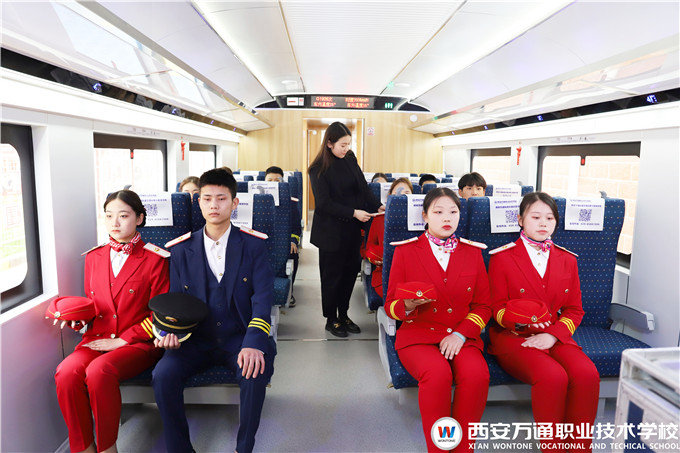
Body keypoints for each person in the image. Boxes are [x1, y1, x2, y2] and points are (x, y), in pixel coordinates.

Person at [152, 168, 275, 453]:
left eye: (221, 198)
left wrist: (254, 343)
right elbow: (174, 302)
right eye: (207, 199)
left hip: (239, 338)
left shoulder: (254, 246)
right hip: (196, 341)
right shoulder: (180, 250)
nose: (214, 205)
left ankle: (244, 448)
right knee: (163, 374)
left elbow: (263, 299)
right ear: (199, 203)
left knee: (254, 371)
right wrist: (169, 334)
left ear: (234, 203)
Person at [54, 190, 170, 453]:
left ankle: (108, 447)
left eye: (123, 216)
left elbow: (160, 315)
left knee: (99, 371)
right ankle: (83, 447)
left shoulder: (156, 259)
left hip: (138, 343)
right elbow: (93, 307)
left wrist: (123, 340)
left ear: (139, 218)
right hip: (97, 339)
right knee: (66, 373)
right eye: (109, 216)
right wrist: (75, 320)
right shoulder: (93, 257)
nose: (114, 223)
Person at [487, 192, 599, 452]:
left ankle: (580, 448)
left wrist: (552, 335)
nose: (543, 223)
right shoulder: (502, 257)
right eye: (535, 217)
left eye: (549, 218)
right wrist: (522, 326)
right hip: (513, 337)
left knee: (587, 374)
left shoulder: (567, 259)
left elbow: (574, 310)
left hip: (554, 334)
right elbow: (496, 309)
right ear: (520, 220)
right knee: (552, 376)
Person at [385, 188, 491, 453]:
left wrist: (460, 334)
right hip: (418, 335)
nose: (447, 218)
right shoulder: (406, 252)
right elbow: (390, 306)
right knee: (437, 374)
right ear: (425, 216)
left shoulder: (472, 252)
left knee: (477, 375)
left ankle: (463, 448)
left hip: (461, 335)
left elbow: (483, 306)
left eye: (453, 212)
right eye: (439, 212)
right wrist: (407, 306)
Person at [308, 121, 383, 337]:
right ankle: (331, 319)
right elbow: (324, 204)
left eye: (349, 144)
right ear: (329, 143)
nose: (346, 148)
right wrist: (353, 212)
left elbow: (363, 188)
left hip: (352, 230)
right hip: (331, 232)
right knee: (332, 277)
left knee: (350, 274)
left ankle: (344, 314)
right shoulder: (318, 168)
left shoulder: (350, 159)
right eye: (342, 145)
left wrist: (377, 205)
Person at [365, 177, 413, 298]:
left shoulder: (424, 221)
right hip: (385, 274)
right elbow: (369, 248)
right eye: (396, 194)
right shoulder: (379, 220)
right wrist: (384, 255)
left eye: (406, 193)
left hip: (414, 274)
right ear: (390, 197)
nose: (401, 197)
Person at [265, 165, 302, 307]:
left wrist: (292, 240)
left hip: (282, 241)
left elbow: (296, 227)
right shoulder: (257, 201)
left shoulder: (289, 203)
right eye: (270, 180)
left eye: (277, 180)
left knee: (292, 252)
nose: (273, 183)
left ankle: (289, 291)